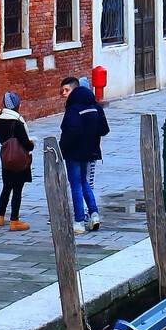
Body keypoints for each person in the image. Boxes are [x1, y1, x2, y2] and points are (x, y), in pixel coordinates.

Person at [58, 75, 109, 233]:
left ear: (74, 90)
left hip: (74, 153)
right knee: (85, 183)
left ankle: (79, 221)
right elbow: (104, 129)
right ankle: (94, 215)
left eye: (66, 90)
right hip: (90, 152)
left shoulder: (73, 109)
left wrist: (62, 147)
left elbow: (72, 131)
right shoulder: (95, 107)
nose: (63, 94)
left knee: (76, 186)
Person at [0, 91, 32, 231]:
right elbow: (26, 143)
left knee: (6, 187)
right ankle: (14, 220)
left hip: (6, 158)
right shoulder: (17, 122)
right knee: (17, 190)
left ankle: (0, 217)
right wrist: (32, 144)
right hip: (19, 159)